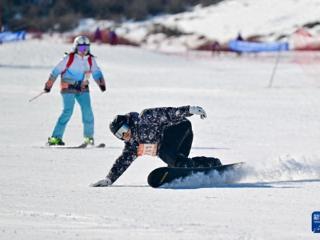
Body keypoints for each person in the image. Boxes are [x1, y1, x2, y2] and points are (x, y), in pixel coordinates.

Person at [92, 106, 221, 187]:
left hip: (180, 128)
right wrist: (109, 179)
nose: (125, 135)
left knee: (163, 152)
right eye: (120, 135)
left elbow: (169, 113)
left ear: (128, 123)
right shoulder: (132, 145)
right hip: (173, 144)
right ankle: (210, 164)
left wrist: (188, 110)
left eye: (124, 129)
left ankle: (183, 164)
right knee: (178, 162)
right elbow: (122, 162)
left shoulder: (145, 118)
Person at [44, 35, 106, 146]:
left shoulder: (90, 59)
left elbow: (96, 72)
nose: (84, 51)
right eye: (82, 48)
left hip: (82, 88)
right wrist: (49, 84)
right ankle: (55, 138)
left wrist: (101, 84)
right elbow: (56, 71)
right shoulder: (69, 58)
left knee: (87, 111)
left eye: (86, 48)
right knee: (68, 111)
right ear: (76, 47)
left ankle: (89, 137)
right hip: (68, 87)